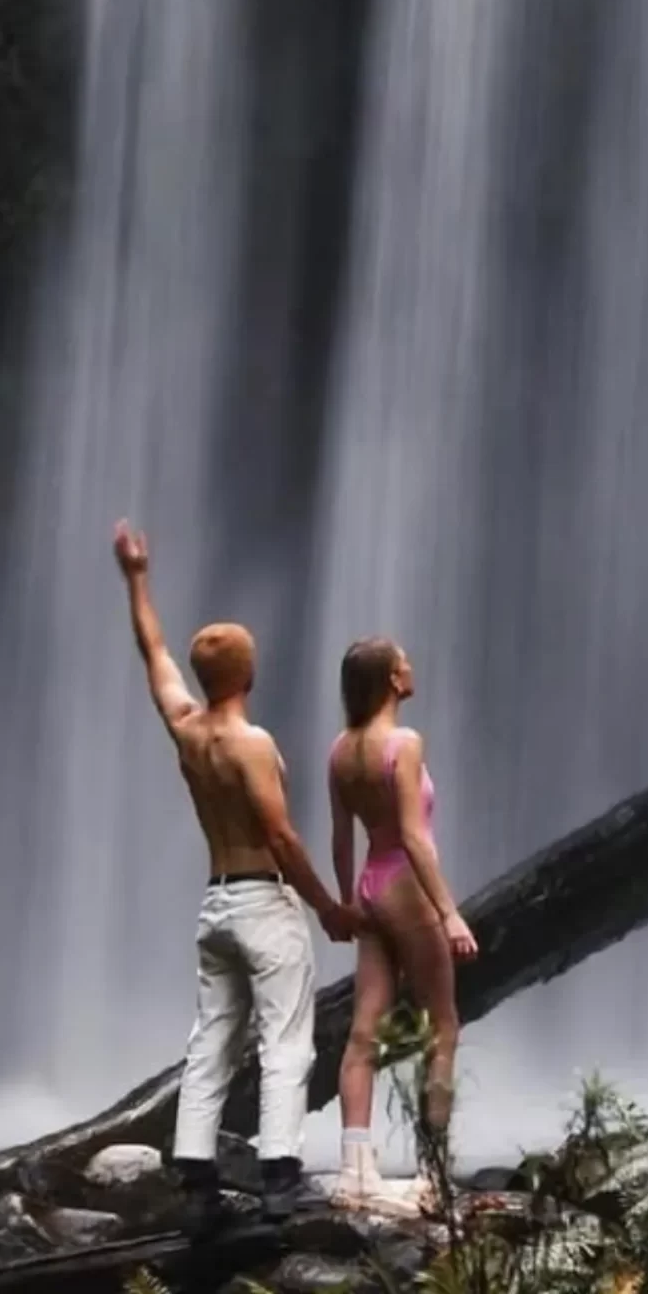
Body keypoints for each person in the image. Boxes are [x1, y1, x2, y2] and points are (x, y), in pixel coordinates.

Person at [112, 521, 357, 1228]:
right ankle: (280, 1175)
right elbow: (280, 834)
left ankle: (195, 1177)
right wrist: (328, 909)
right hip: (261, 902)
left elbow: (153, 652)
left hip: (214, 905)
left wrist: (137, 577)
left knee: (212, 1038)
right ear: (249, 675)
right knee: (285, 1039)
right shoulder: (252, 744)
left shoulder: (187, 729)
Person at [327, 637, 476, 1205]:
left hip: (369, 886)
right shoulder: (404, 743)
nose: (412, 666)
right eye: (405, 661)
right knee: (443, 1026)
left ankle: (355, 1171)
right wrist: (449, 912)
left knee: (365, 1031)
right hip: (406, 889)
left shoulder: (341, 749)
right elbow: (414, 837)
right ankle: (433, 1174)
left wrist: (346, 903)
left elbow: (343, 837)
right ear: (392, 678)